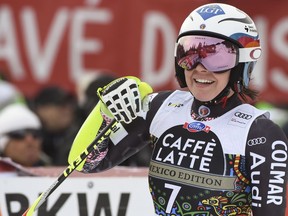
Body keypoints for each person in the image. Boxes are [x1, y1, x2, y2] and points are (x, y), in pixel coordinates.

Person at [68, 3, 288, 215]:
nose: (200, 68)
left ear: (242, 64)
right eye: (189, 54)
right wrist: (105, 112)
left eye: (217, 58)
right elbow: (86, 164)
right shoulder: (160, 107)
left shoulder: (261, 134)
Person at [31, 86, 81, 166]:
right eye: (60, 104)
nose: (67, 109)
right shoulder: (27, 137)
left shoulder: (79, 136)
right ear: (41, 109)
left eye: (70, 104)